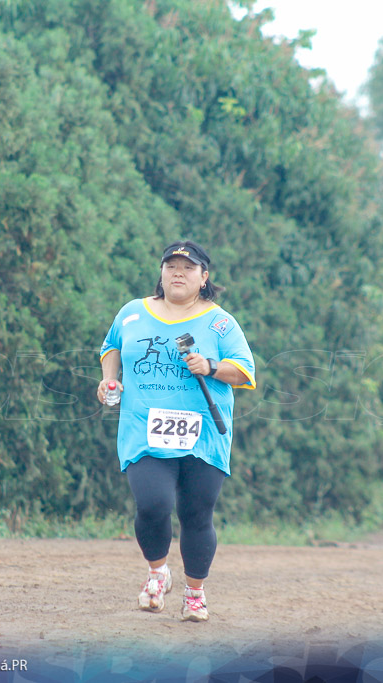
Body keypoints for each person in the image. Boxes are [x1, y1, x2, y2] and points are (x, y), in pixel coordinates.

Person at [97, 240, 256, 622]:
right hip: (144, 430)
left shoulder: (220, 322)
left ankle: (195, 593)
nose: (178, 272)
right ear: (162, 273)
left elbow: (246, 371)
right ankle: (157, 573)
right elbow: (111, 346)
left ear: (204, 277)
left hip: (203, 435)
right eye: (171, 266)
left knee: (196, 513)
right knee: (152, 505)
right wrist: (109, 380)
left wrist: (211, 366)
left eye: (188, 267)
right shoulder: (133, 313)